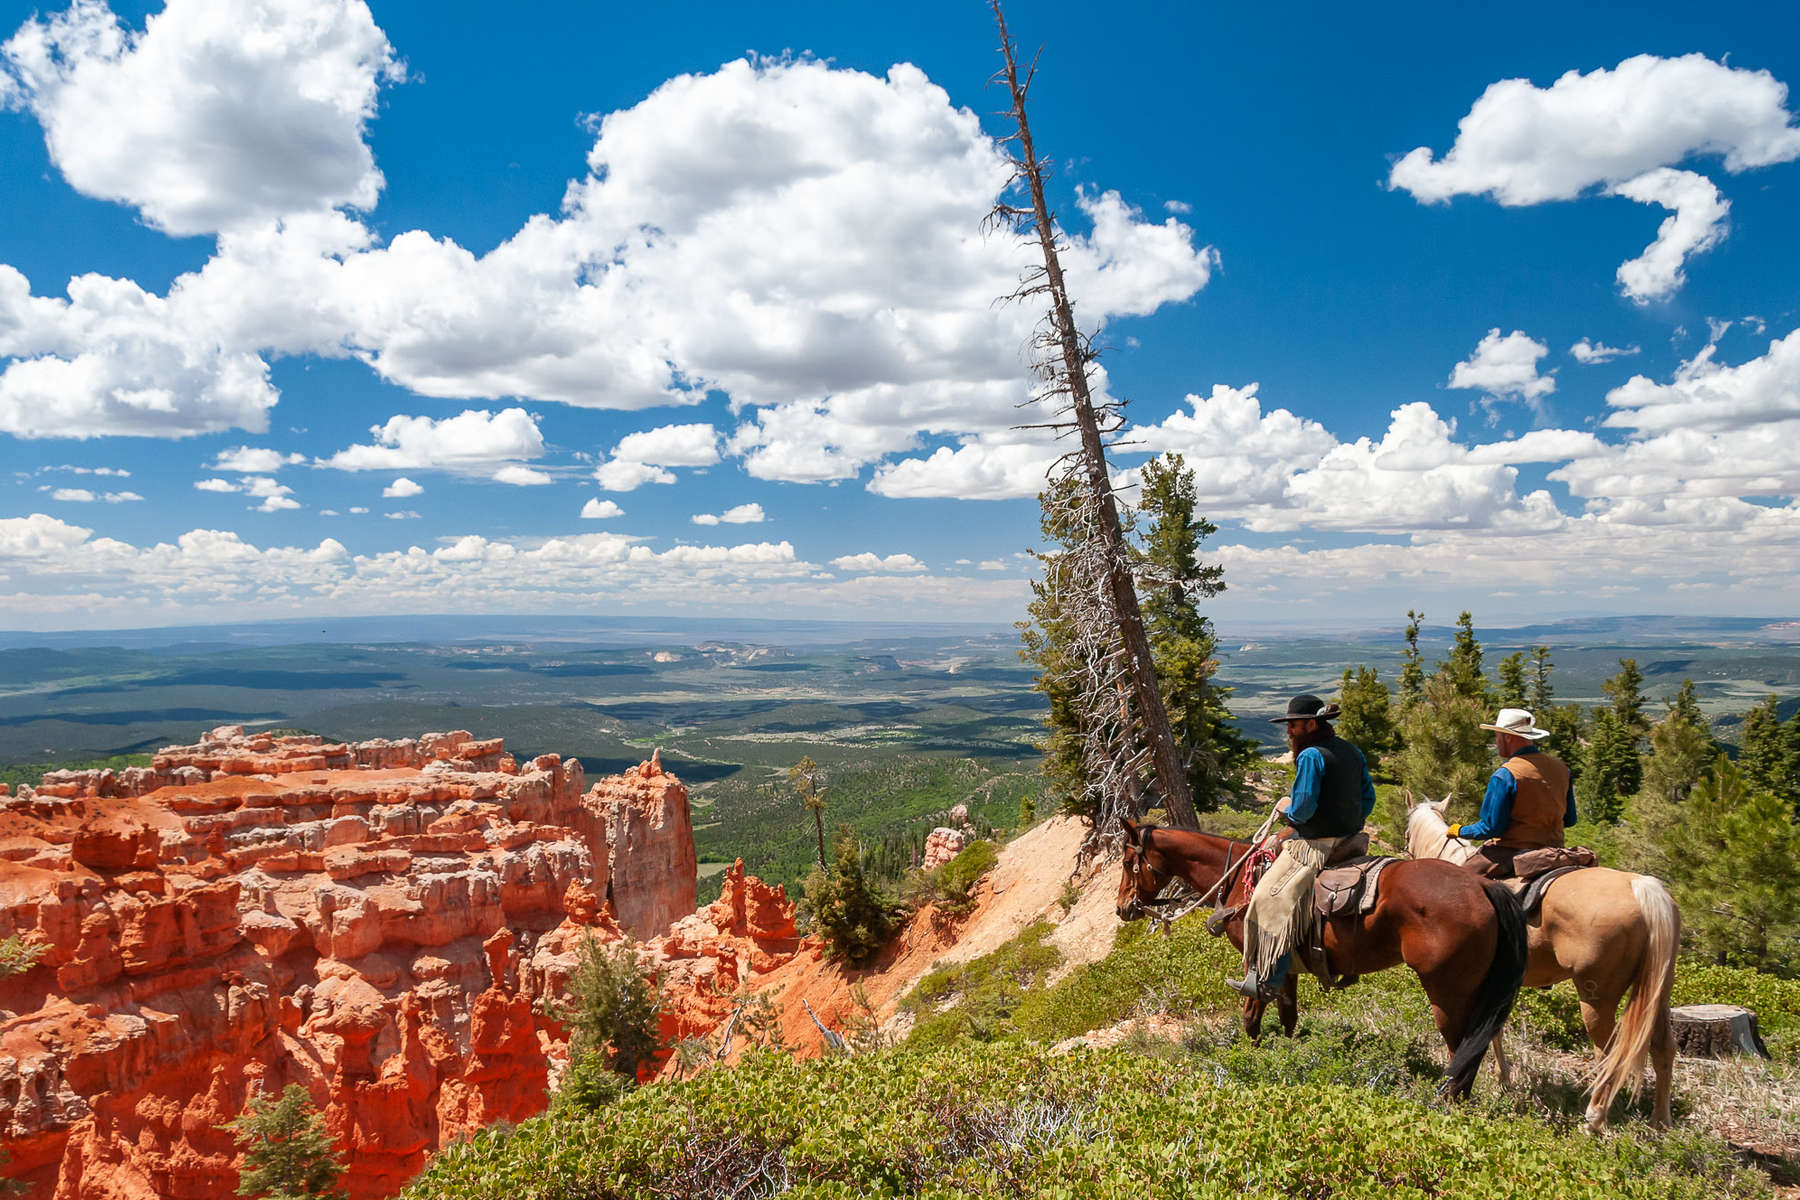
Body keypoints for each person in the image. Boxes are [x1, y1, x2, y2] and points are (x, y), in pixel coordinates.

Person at [1227, 693, 1377, 999]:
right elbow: (1369, 799)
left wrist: (1288, 809)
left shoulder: (1310, 756)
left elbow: (1304, 808)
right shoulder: (1351, 751)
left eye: (1293, 725)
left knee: (1269, 897)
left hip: (1316, 844)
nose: (1288, 732)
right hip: (1351, 840)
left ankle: (1268, 977)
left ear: (1311, 724)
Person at [1448, 707, 1575, 879]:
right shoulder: (1562, 769)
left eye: (1497, 736)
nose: (1496, 741)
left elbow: (1491, 828)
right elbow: (1570, 819)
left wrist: (1460, 830)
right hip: (1555, 852)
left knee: (1457, 881)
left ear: (1507, 737)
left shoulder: (1505, 774)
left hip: (1512, 853)